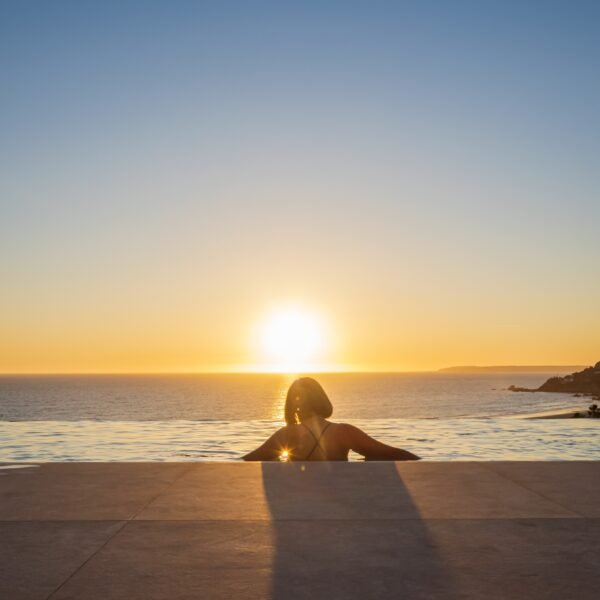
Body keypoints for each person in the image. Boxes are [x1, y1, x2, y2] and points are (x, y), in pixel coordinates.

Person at [242, 377, 420, 461]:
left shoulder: (286, 435)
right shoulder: (344, 432)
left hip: (297, 505)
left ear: (293, 405)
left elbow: (248, 462)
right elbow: (394, 454)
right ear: (321, 399)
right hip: (338, 504)